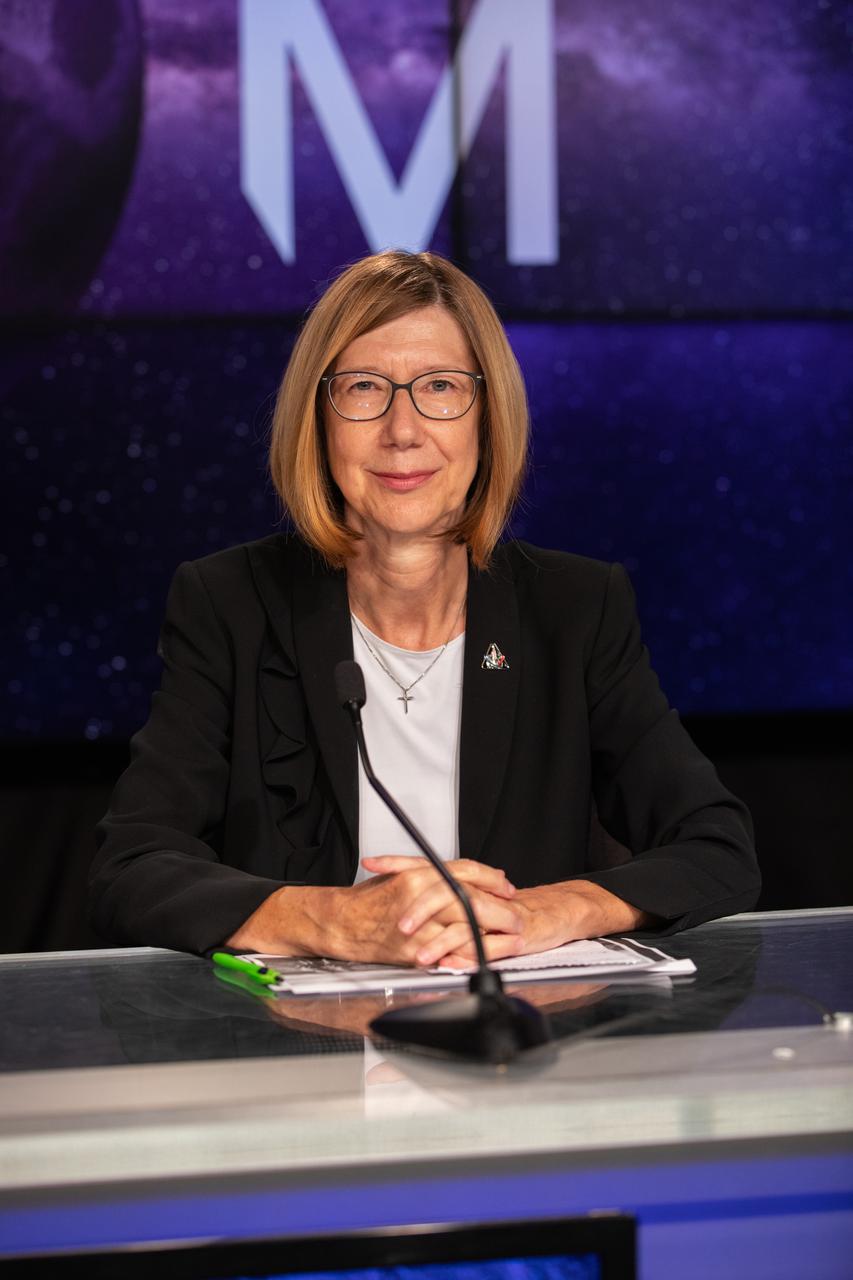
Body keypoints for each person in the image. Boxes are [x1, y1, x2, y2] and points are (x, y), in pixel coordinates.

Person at [90, 250, 760, 965]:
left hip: (512, 1047)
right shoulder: (229, 603)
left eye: (439, 387)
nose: (402, 430)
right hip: (298, 1055)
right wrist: (329, 921)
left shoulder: (574, 609)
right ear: (318, 419)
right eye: (363, 388)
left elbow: (716, 848)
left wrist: (547, 912)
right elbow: (131, 869)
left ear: (487, 417)